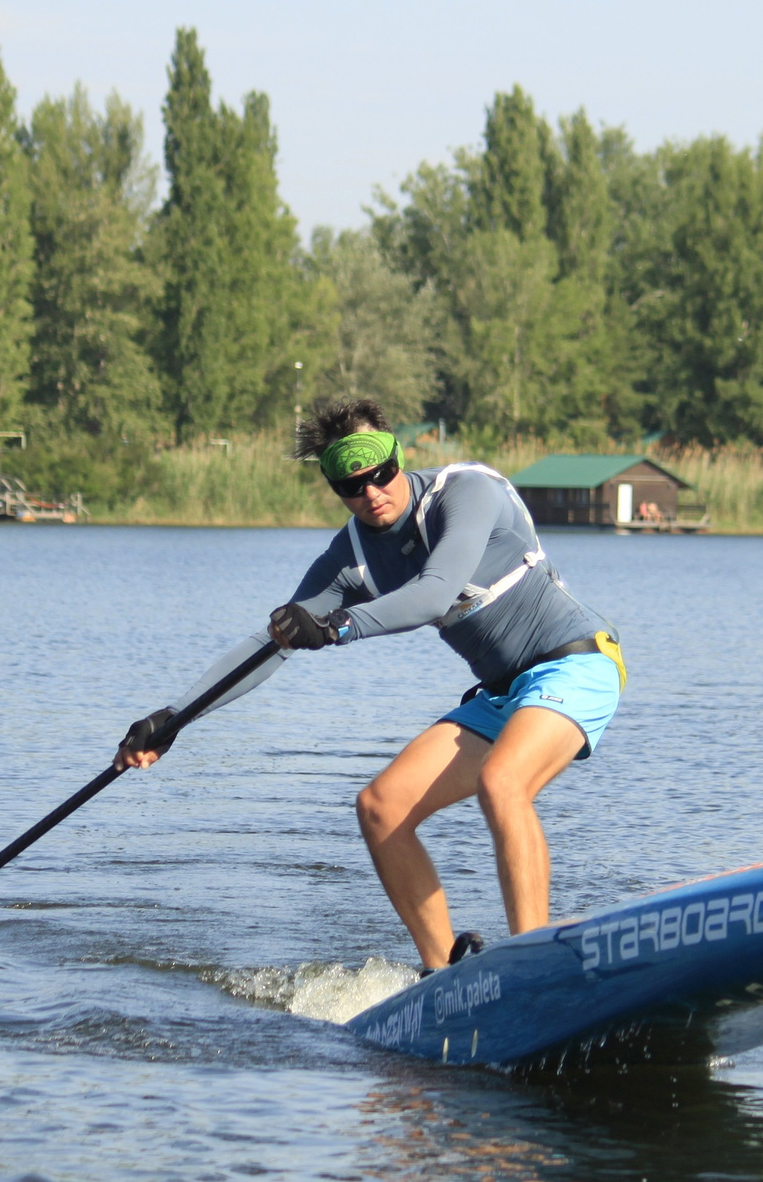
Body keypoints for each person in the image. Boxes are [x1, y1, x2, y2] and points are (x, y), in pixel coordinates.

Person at [116, 397, 625, 972]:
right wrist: (175, 718)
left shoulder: (467, 493)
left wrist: (337, 626)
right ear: (335, 487)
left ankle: (532, 963)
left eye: (381, 474)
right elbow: (271, 643)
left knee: (501, 781)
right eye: (352, 486)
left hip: (576, 664)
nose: (372, 493)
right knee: (381, 807)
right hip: (502, 695)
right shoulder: (348, 558)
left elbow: (434, 592)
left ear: (398, 457)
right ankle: (442, 978)